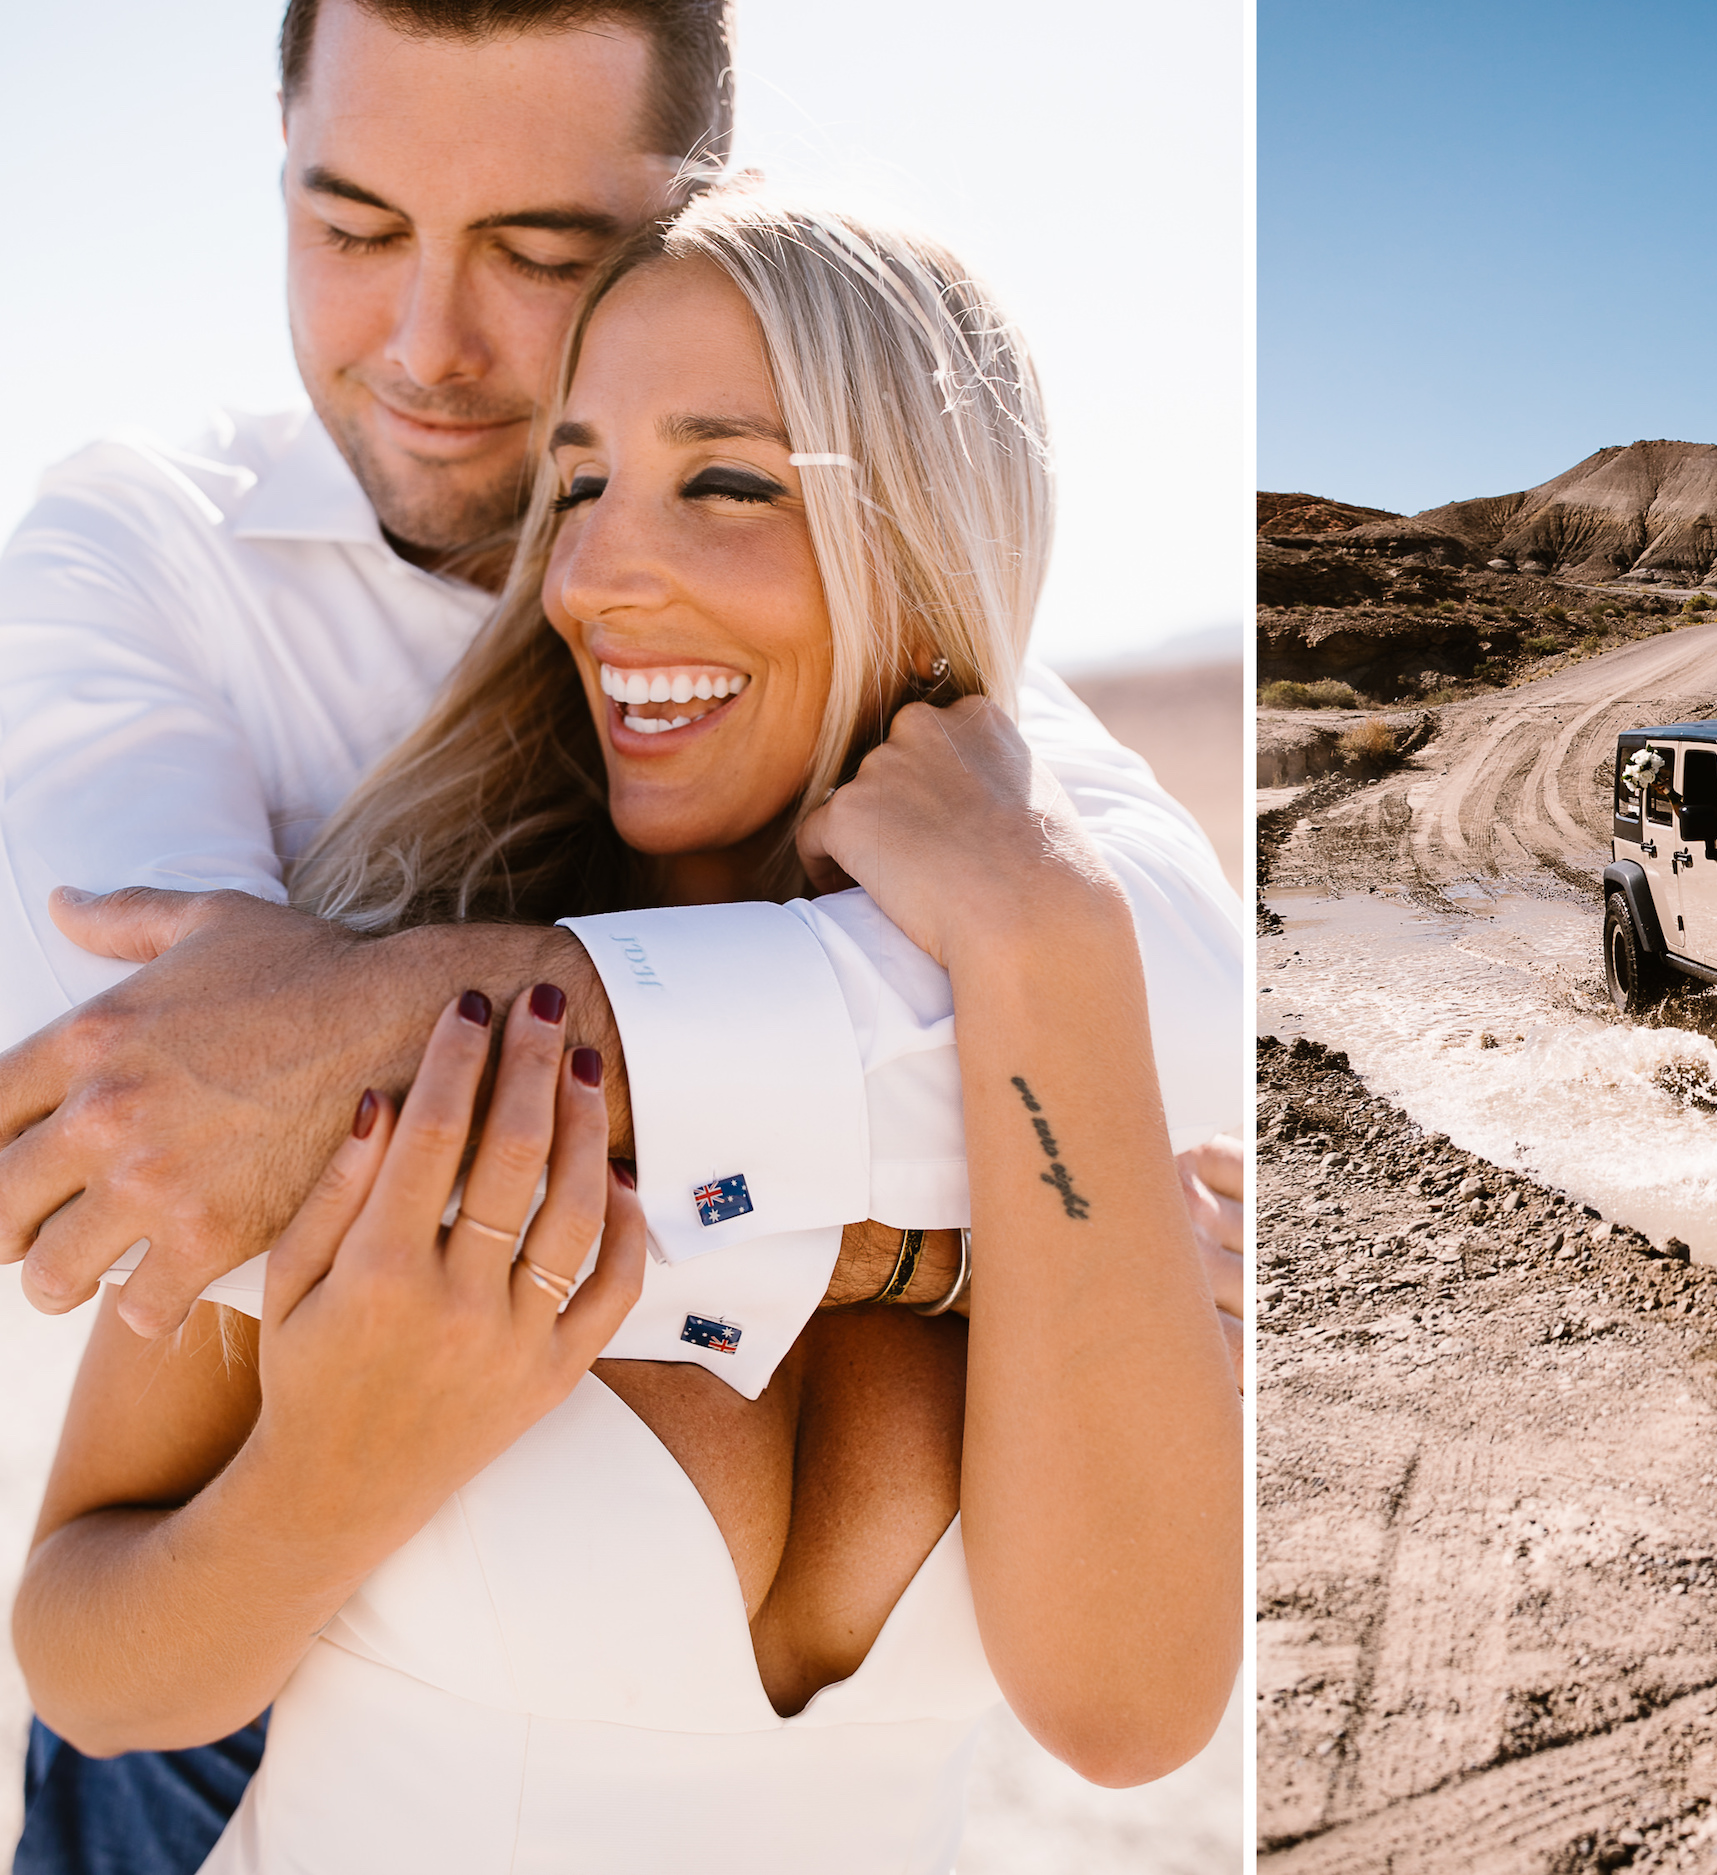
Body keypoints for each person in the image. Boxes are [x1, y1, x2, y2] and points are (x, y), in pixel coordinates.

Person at [0, 1, 1242, 1866]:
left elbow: (1131, 1712)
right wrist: (333, 1469)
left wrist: (1049, 960)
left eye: (724, 480)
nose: (587, 571)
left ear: (919, 529)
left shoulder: (1043, 958)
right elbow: (163, 1091)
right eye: (573, 489)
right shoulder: (345, 917)